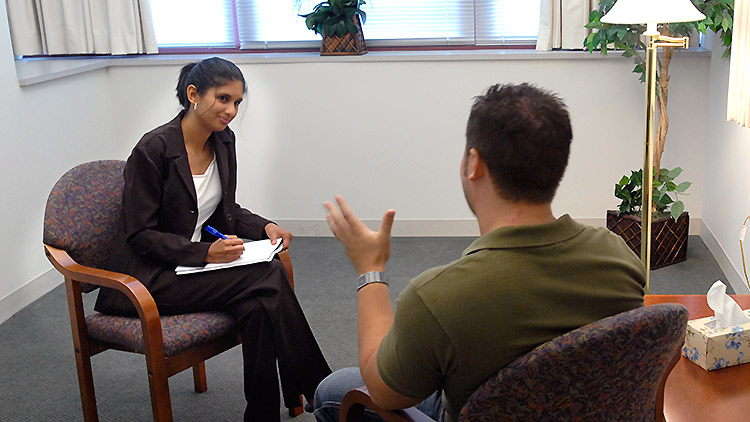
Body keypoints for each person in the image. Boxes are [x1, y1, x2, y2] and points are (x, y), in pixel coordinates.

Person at [314, 83, 646, 422]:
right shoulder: (619, 257)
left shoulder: (437, 298)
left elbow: (382, 391)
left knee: (333, 391)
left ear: (474, 162)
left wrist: (371, 268)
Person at [94, 57, 331, 421]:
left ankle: (262, 412)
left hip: (192, 271)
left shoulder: (223, 140)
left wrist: (265, 227)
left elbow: (225, 210)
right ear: (193, 94)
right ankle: (320, 387)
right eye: (223, 99)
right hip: (150, 278)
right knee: (269, 276)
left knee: (258, 306)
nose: (232, 110)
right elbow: (139, 235)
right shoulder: (152, 150)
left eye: (237, 102)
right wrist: (205, 253)